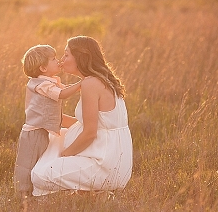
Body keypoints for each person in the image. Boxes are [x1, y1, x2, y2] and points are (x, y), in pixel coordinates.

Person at [30, 36, 133, 196]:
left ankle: (86, 193)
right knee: (58, 136)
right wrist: (51, 116)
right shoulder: (100, 80)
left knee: (39, 176)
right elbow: (87, 125)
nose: (62, 60)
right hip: (113, 163)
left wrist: (65, 155)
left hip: (105, 166)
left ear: (80, 57)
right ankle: (85, 193)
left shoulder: (90, 84)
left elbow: (90, 133)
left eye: (66, 55)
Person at [13, 44, 81, 198]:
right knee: (27, 163)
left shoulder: (49, 81)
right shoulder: (41, 84)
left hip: (41, 129)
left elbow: (63, 89)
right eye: (53, 59)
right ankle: (23, 194)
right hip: (34, 131)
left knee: (39, 160)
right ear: (43, 68)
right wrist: (80, 85)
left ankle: (35, 191)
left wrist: (79, 87)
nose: (58, 61)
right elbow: (62, 94)